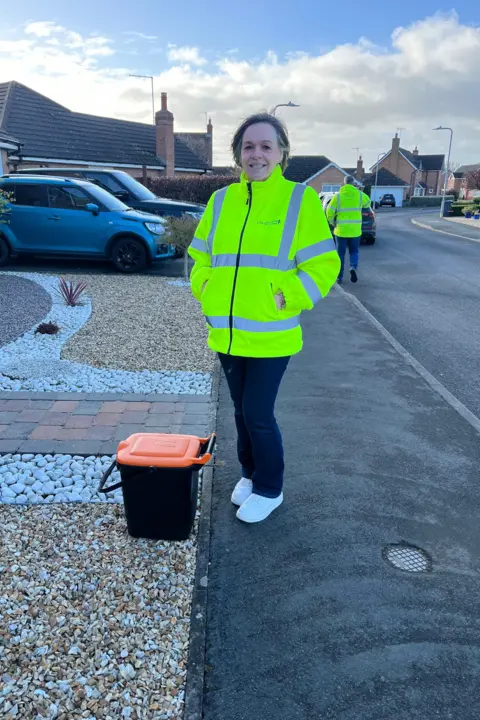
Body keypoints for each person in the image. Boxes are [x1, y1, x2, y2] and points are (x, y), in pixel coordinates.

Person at [188, 113, 340, 524]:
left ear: (281, 153)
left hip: (272, 337)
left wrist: (286, 297)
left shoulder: (299, 200)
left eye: (265, 146)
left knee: (257, 413)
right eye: (248, 146)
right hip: (227, 334)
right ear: (238, 153)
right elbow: (199, 257)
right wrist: (205, 289)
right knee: (239, 412)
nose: (256, 154)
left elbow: (325, 265)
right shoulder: (220, 201)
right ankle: (250, 474)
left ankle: (270, 487)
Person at [326, 175, 371, 284]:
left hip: (341, 231)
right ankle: (353, 268)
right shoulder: (360, 195)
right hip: (355, 231)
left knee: (340, 254)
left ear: (344, 183)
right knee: (354, 251)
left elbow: (329, 212)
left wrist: (333, 222)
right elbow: (367, 203)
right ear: (353, 183)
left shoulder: (338, 197)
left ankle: (339, 277)